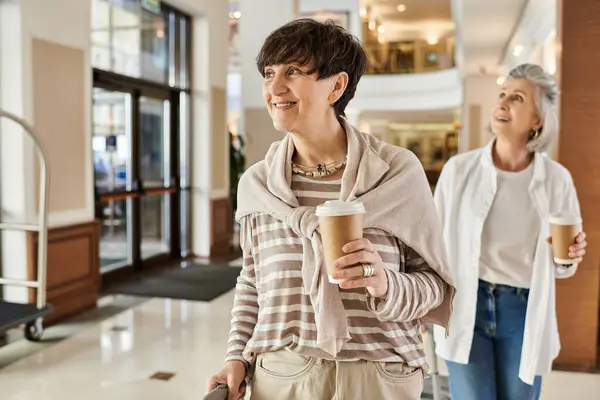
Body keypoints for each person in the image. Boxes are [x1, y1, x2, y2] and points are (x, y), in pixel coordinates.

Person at [207, 19, 455, 400]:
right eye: (269, 73)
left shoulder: (395, 172)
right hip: (282, 376)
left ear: (336, 86)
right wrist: (236, 355)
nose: (274, 89)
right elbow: (252, 283)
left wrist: (384, 283)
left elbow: (434, 285)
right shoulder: (257, 186)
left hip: (380, 376)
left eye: (293, 72)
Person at [432, 63, 588, 400]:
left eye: (516, 98)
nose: (502, 103)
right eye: (501, 95)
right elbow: (433, 244)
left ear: (537, 119)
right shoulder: (459, 171)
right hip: (466, 306)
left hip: (523, 309)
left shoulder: (556, 179)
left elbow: (563, 263)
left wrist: (570, 256)